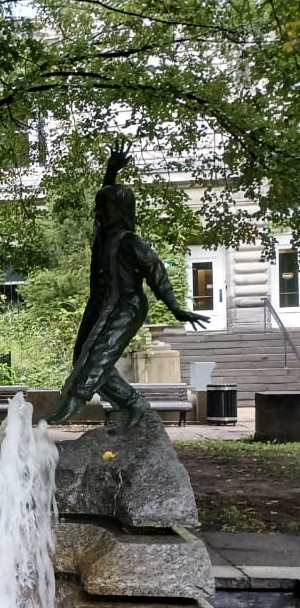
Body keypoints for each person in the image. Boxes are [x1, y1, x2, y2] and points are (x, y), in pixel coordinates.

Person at [45, 143, 209, 430]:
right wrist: (111, 171)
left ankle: (74, 397)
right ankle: (133, 404)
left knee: (97, 355)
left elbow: (157, 272)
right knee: (83, 355)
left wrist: (175, 308)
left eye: (105, 208)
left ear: (119, 212)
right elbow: (106, 195)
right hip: (100, 305)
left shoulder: (131, 241)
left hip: (126, 305)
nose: (99, 212)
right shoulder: (103, 237)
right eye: (99, 207)